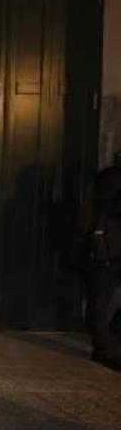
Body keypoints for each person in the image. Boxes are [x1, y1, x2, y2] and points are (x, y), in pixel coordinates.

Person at [85, 150, 121, 372]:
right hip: (108, 248)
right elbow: (101, 215)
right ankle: (103, 349)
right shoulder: (111, 177)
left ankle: (110, 341)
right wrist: (100, 248)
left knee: (102, 299)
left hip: (112, 246)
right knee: (101, 299)